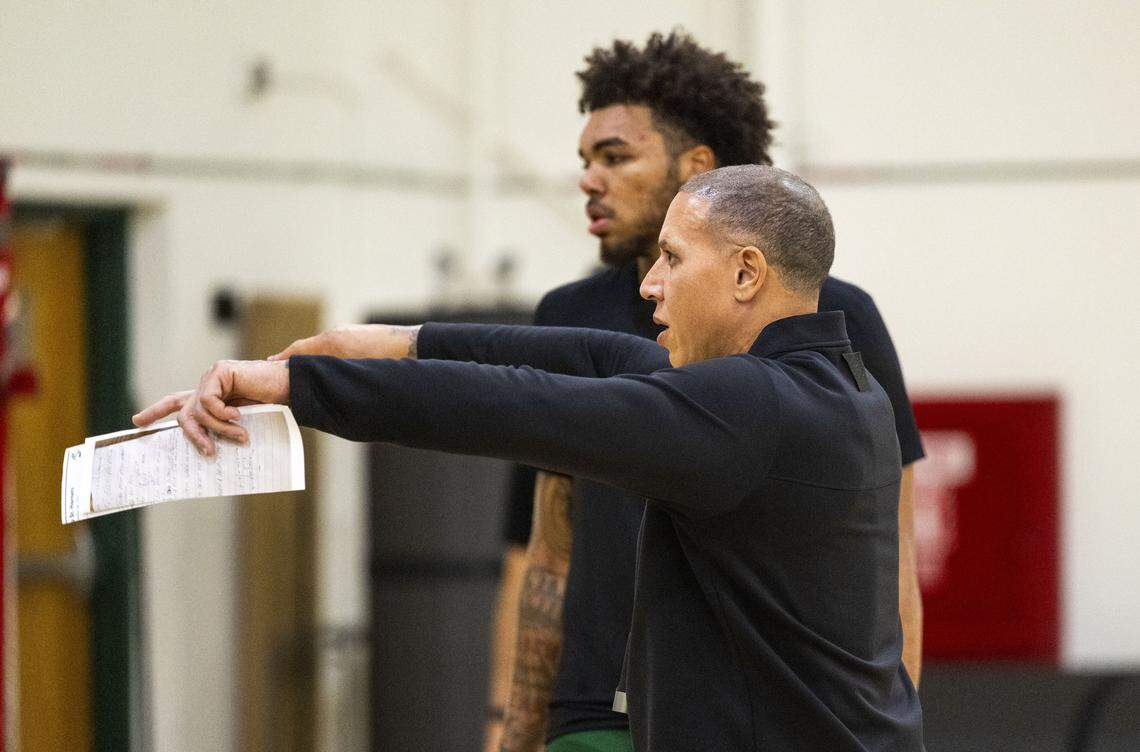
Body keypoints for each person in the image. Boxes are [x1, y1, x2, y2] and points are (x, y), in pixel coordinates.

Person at [135, 164, 925, 752]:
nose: (650, 285)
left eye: (674, 260)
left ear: (747, 272)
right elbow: (592, 358)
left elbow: (522, 407)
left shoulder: (751, 410)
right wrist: (393, 343)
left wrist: (298, 387)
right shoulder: (843, 389)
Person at [487, 32, 925, 752]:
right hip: (594, 717)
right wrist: (511, 728)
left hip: (761, 716)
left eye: (616, 157)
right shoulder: (568, 317)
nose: (588, 180)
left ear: (696, 168)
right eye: (585, 160)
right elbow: (546, 551)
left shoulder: (838, 319)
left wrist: (882, 726)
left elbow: (893, 559)